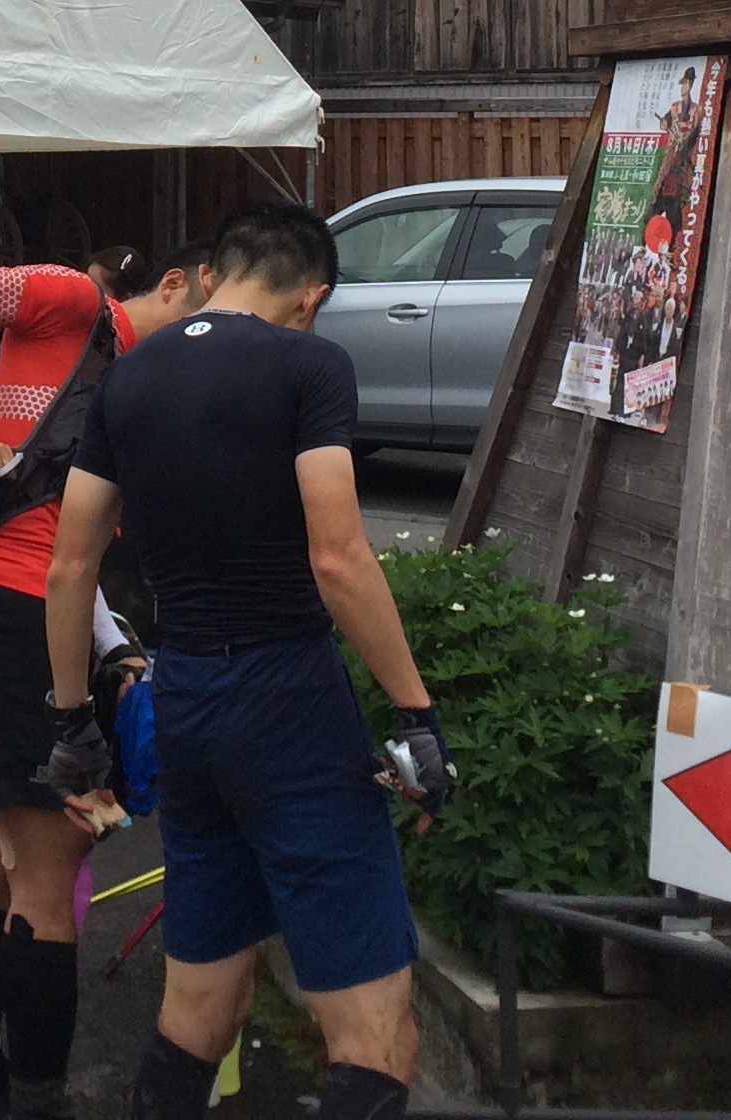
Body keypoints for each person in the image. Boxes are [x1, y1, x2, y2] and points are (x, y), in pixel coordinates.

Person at [43, 201, 452, 1120]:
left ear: (213, 274)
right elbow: (338, 558)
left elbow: (68, 567)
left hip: (184, 695)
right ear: (311, 297)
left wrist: (73, 724)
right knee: (376, 1041)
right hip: (288, 693)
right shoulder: (310, 366)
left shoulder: (127, 378)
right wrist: (417, 716)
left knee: (200, 1010)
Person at [0, 244, 188, 1120]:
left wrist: (115, 647)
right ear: (179, 284)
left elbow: (72, 544)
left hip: (26, 615)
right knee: (47, 886)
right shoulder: (71, 299)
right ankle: (28, 1101)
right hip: (17, 615)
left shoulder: (136, 379)